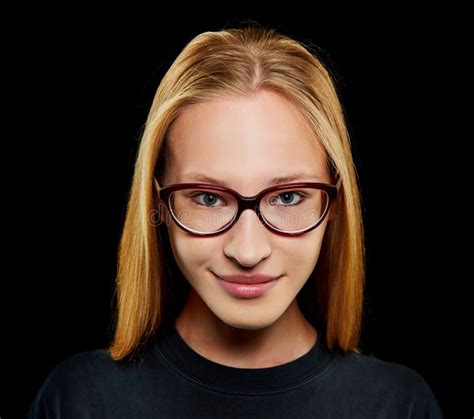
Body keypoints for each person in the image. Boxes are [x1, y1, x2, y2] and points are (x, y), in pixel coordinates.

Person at [28, 24, 444, 418]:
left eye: (288, 196)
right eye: (208, 198)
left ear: (334, 203)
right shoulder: (78, 400)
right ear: (156, 204)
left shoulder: (398, 405)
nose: (247, 251)